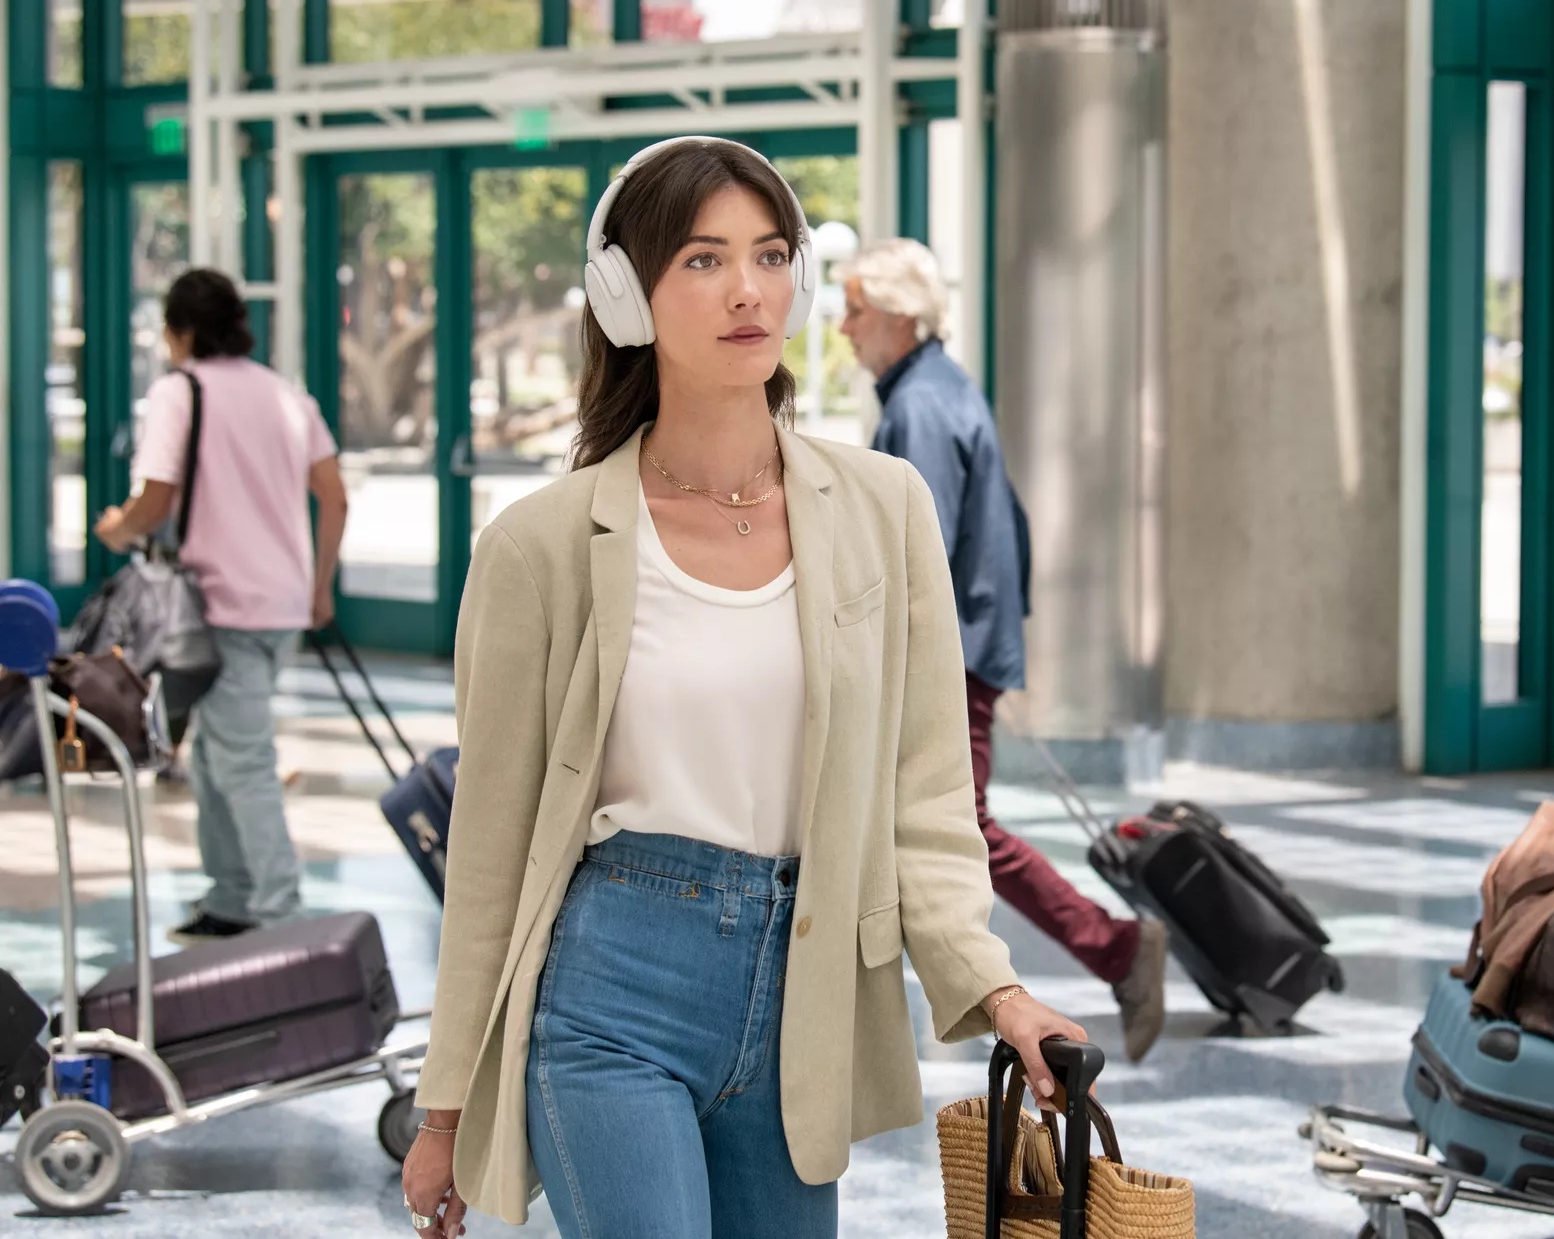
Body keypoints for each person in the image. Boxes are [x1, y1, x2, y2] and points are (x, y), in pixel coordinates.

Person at [401, 138, 1087, 1239]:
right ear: (627, 293)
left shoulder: (883, 508)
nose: (748, 289)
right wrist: (445, 1106)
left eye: (770, 255)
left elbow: (926, 800)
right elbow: (491, 843)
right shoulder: (541, 545)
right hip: (609, 988)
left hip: (802, 994)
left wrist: (999, 993)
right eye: (704, 260)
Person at [839, 238, 1169, 1063]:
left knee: (964, 829)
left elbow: (914, 554)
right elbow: (1003, 526)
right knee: (949, 825)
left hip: (945, 659)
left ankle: (1116, 947)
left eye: (855, 309)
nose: (844, 327)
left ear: (900, 316)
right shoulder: (947, 387)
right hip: (971, 645)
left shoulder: (917, 406)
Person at [94, 268, 347, 942]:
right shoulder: (286, 394)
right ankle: (232, 897)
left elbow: (155, 499)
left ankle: (278, 912)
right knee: (213, 754)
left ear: (179, 332)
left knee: (240, 760)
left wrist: (118, 527)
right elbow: (335, 493)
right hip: (283, 604)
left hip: (221, 606)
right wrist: (320, 586)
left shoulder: (181, 392)